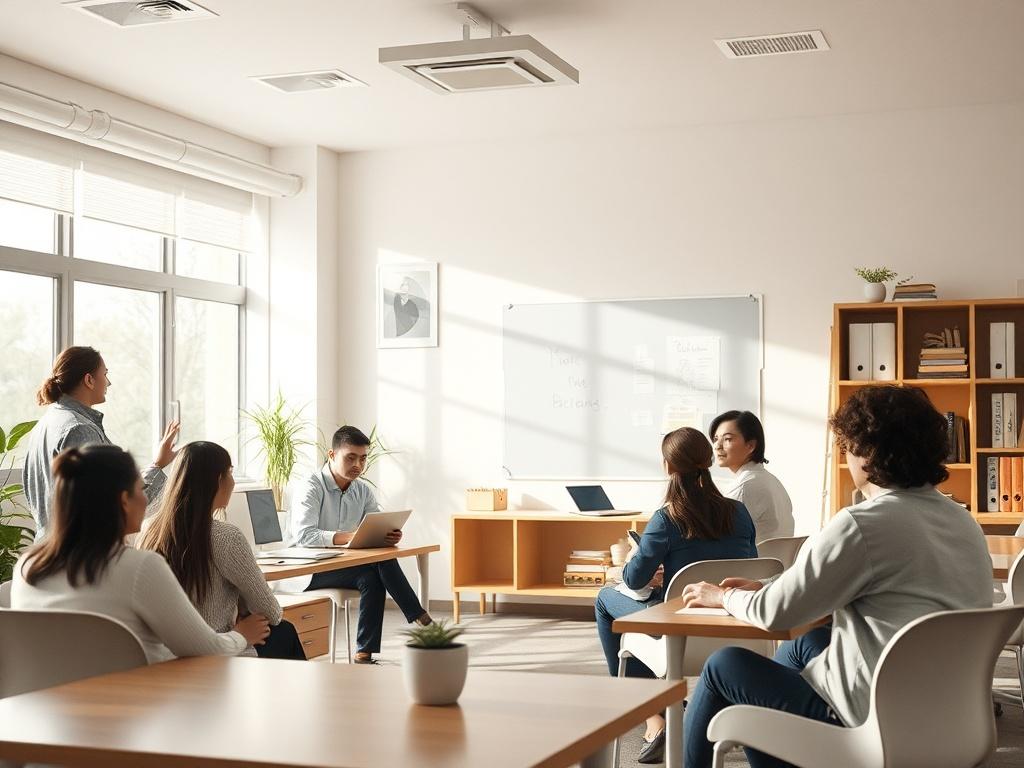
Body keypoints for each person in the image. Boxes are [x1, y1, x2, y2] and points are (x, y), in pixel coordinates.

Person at [680, 385, 993, 768]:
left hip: (870, 722)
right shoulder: (962, 520)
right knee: (808, 642)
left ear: (866, 452)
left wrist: (723, 597)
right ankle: (773, 736)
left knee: (724, 666)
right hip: (944, 714)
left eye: (848, 446)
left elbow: (776, 615)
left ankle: (776, 741)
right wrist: (765, 587)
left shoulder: (863, 524)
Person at [12, 444, 269, 663]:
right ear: (124, 501)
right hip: (142, 704)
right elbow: (204, 650)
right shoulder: (139, 567)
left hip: (49, 711)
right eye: (141, 489)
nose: (147, 500)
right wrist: (241, 634)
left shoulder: (27, 566)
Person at [593, 426, 757, 764]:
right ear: (707, 461)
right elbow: (748, 568)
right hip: (735, 624)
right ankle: (663, 714)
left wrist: (643, 566)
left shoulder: (667, 518)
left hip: (680, 628)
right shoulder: (738, 512)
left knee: (606, 599)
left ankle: (655, 715)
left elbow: (634, 579)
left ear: (668, 467)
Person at [138, 441, 305, 660]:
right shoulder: (225, 537)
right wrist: (241, 627)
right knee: (283, 631)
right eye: (230, 473)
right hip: (213, 652)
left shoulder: (149, 530)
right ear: (218, 480)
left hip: (161, 655)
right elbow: (271, 612)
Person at [289, 425, 432, 664]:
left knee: (372, 577)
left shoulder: (362, 490)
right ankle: (417, 614)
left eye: (363, 458)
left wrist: (387, 535)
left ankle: (363, 653)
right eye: (351, 458)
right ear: (332, 455)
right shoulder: (311, 486)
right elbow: (304, 536)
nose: (358, 465)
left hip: (341, 564)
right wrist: (350, 536)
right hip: (307, 568)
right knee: (380, 564)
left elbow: (374, 523)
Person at [24, 346, 179, 540]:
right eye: (105, 374)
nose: (109, 382)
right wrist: (158, 466)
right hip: (82, 556)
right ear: (89, 380)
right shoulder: (79, 430)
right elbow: (110, 505)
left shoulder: (45, 424)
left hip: (52, 552)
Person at [709, 410, 794, 541]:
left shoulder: (744, 487)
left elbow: (720, 539)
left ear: (751, 446)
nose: (717, 446)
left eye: (727, 439)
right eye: (715, 439)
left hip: (751, 560)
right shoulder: (770, 480)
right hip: (776, 561)